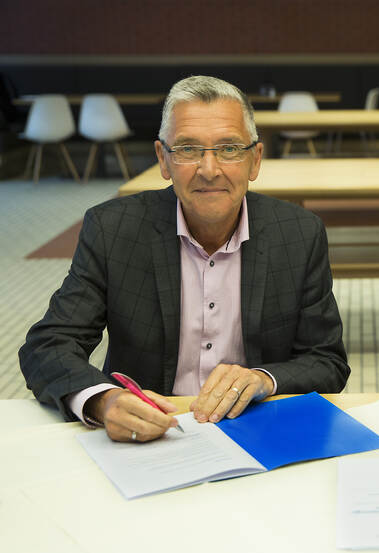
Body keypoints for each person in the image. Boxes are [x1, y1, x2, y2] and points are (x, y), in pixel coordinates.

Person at [19, 75, 349, 442]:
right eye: (189, 149)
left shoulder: (298, 233)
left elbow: (326, 362)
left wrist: (262, 379)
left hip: (258, 428)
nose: (209, 169)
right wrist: (104, 401)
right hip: (151, 434)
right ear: (163, 159)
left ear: (255, 160)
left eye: (229, 148)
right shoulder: (113, 230)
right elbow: (48, 347)